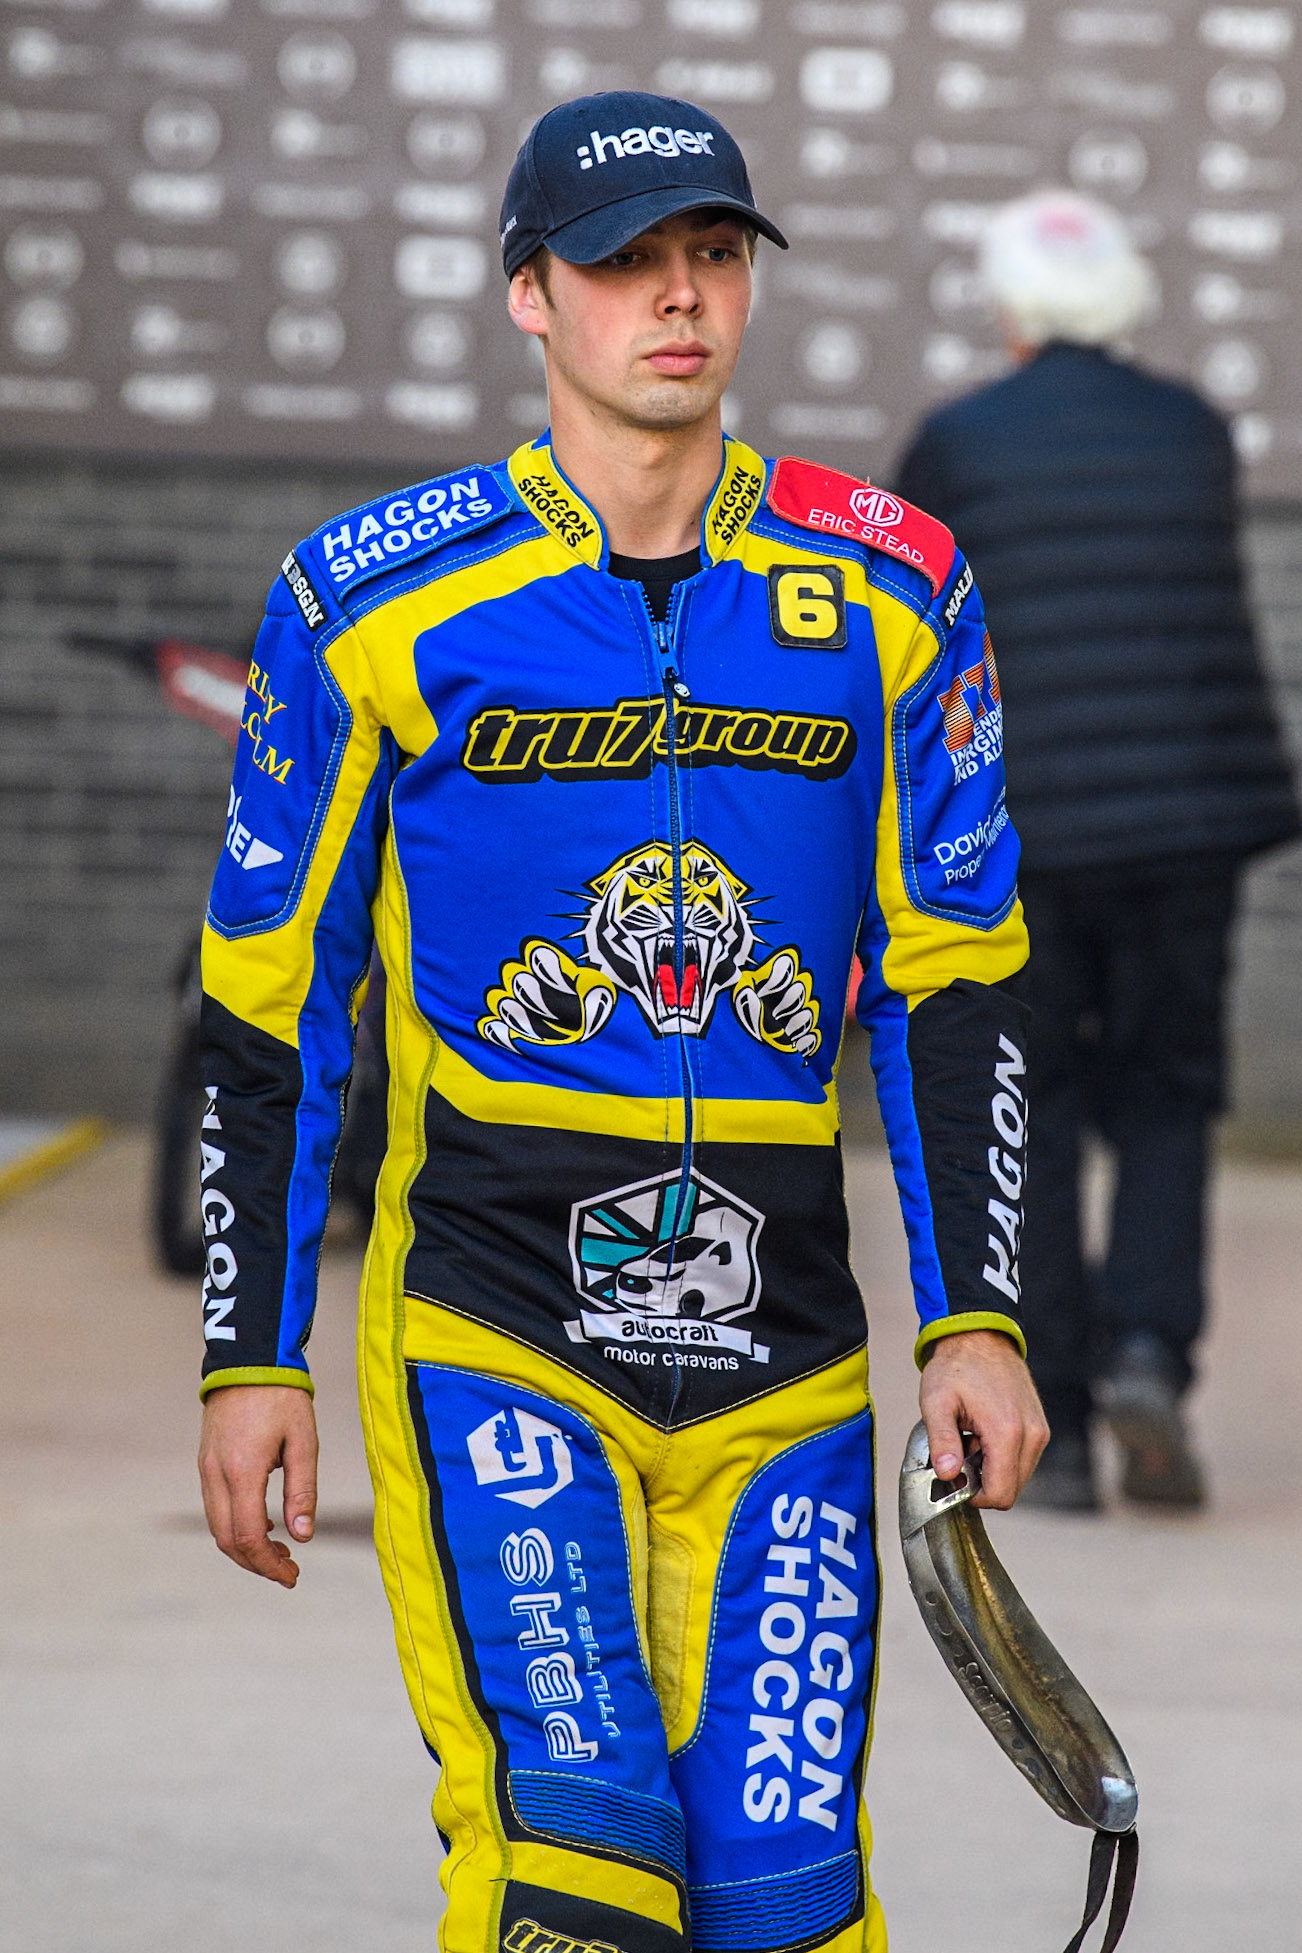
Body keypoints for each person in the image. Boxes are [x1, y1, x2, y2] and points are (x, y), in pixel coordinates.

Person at [196, 92, 1047, 1951]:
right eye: (625, 263)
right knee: (577, 1877)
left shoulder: (899, 584)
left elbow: (955, 980)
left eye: (712, 257)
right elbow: (269, 1009)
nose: (678, 300)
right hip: (495, 1326)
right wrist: (246, 1353)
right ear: (528, 294)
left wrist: (975, 1317)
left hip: (795, 1364)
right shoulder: (370, 593)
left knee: (788, 1900)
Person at [896, 190, 1300, 1513]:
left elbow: (907, 627)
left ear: (1012, 309)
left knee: (1039, 1105)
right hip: (1186, 820)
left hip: (1025, 825)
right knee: (1167, 1095)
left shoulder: (957, 442)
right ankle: (1145, 1356)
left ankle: (1054, 1426)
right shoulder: (1188, 428)